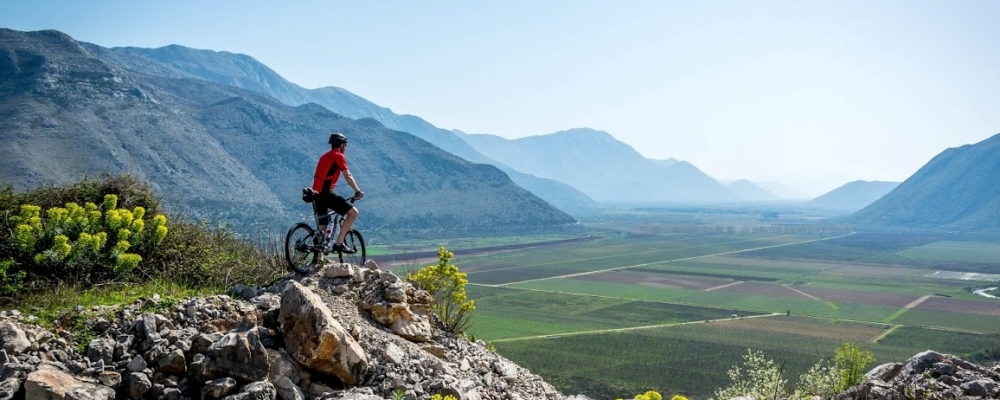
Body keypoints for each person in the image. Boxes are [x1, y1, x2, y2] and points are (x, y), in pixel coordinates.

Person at [312, 132, 364, 252]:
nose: (345, 148)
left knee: (323, 227)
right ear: (341, 145)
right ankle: (339, 243)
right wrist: (357, 191)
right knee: (353, 213)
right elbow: (348, 176)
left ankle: (317, 257)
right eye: (344, 145)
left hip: (316, 194)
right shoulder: (338, 156)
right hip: (326, 193)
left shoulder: (324, 156)